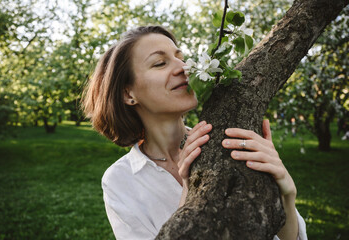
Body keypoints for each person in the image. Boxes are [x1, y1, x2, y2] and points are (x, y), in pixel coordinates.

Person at [82, 26, 307, 240]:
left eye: (180, 57)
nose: (184, 67)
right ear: (128, 93)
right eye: (160, 63)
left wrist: (286, 196)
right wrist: (191, 192)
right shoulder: (120, 181)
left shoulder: (230, 143)